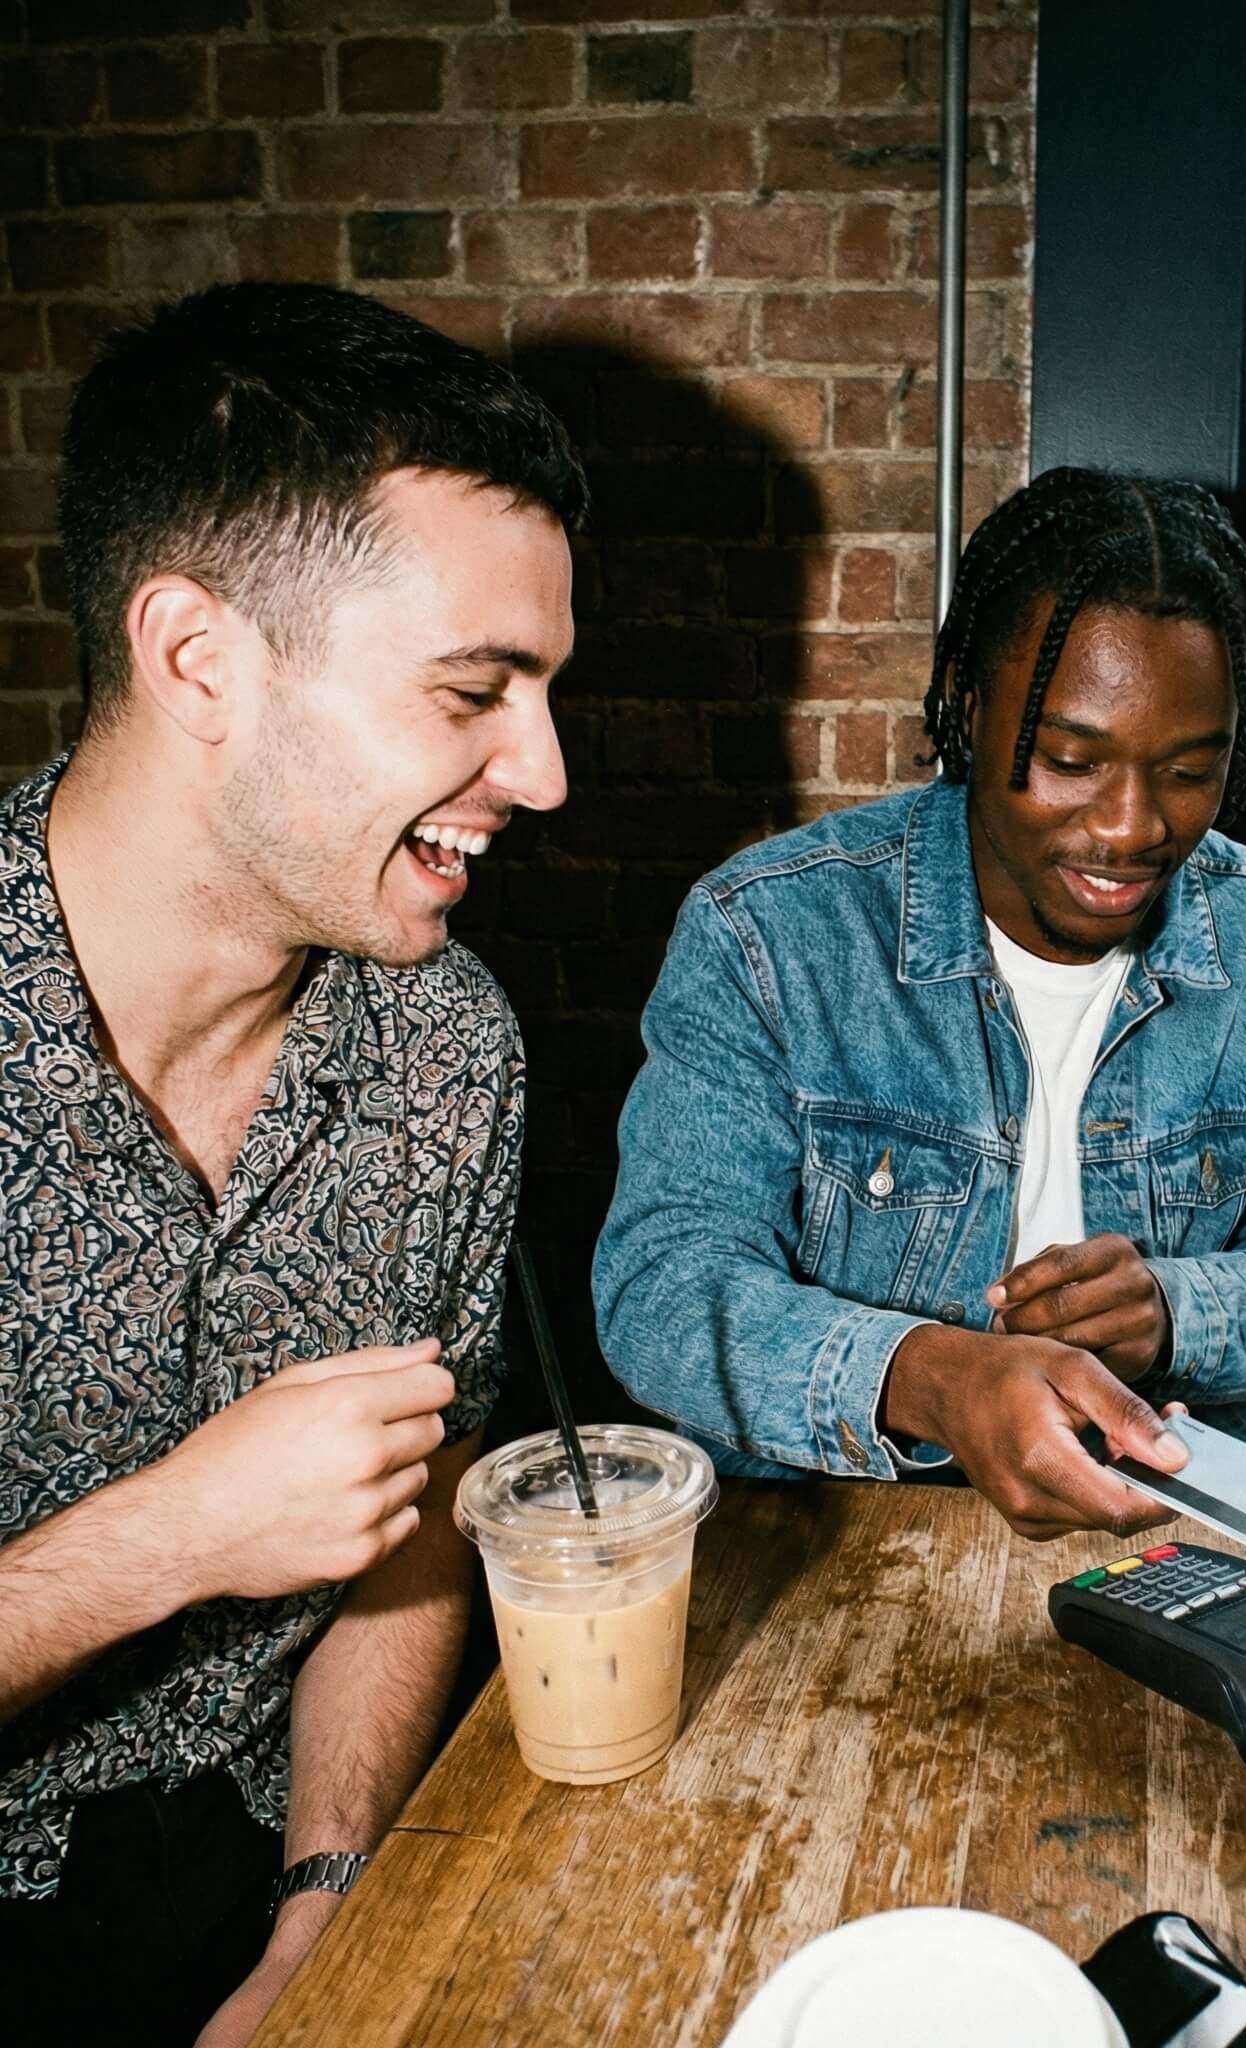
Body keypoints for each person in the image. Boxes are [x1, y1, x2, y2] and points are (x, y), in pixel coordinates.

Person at [0, 284, 583, 2046]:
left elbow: (408, 1524)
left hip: (286, 1852)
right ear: (199, 661)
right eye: (476, 690)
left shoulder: (446, 1048)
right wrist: (169, 1535)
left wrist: (327, 1903)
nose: (542, 774)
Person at [595, 469, 1246, 1537]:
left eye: (1190, 770)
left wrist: (1170, 1313)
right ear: (964, 700)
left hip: (1181, 1497)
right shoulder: (768, 934)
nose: (1130, 825)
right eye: (1069, 760)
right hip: (843, 1519)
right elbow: (660, 1288)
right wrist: (935, 1380)